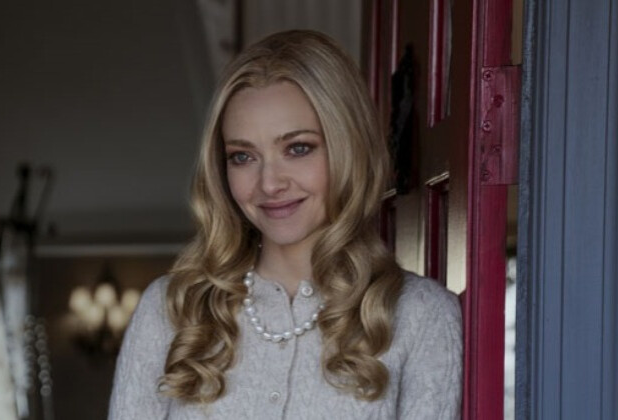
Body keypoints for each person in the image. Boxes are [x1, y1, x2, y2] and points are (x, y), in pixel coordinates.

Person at [108, 30, 462, 419]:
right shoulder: (172, 309)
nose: (269, 184)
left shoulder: (420, 315)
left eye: (298, 148)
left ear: (348, 147)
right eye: (243, 156)